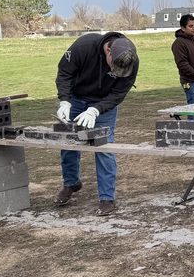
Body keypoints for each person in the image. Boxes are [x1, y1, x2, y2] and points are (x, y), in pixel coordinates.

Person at [54, 33, 139, 215]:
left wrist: (96, 110)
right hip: (76, 98)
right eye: (114, 66)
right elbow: (65, 73)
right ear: (108, 51)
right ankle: (71, 184)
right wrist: (64, 101)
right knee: (68, 142)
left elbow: (118, 93)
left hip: (104, 103)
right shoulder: (83, 47)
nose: (116, 71)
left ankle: (107, 197)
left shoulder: (131, 60)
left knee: (104, 147)